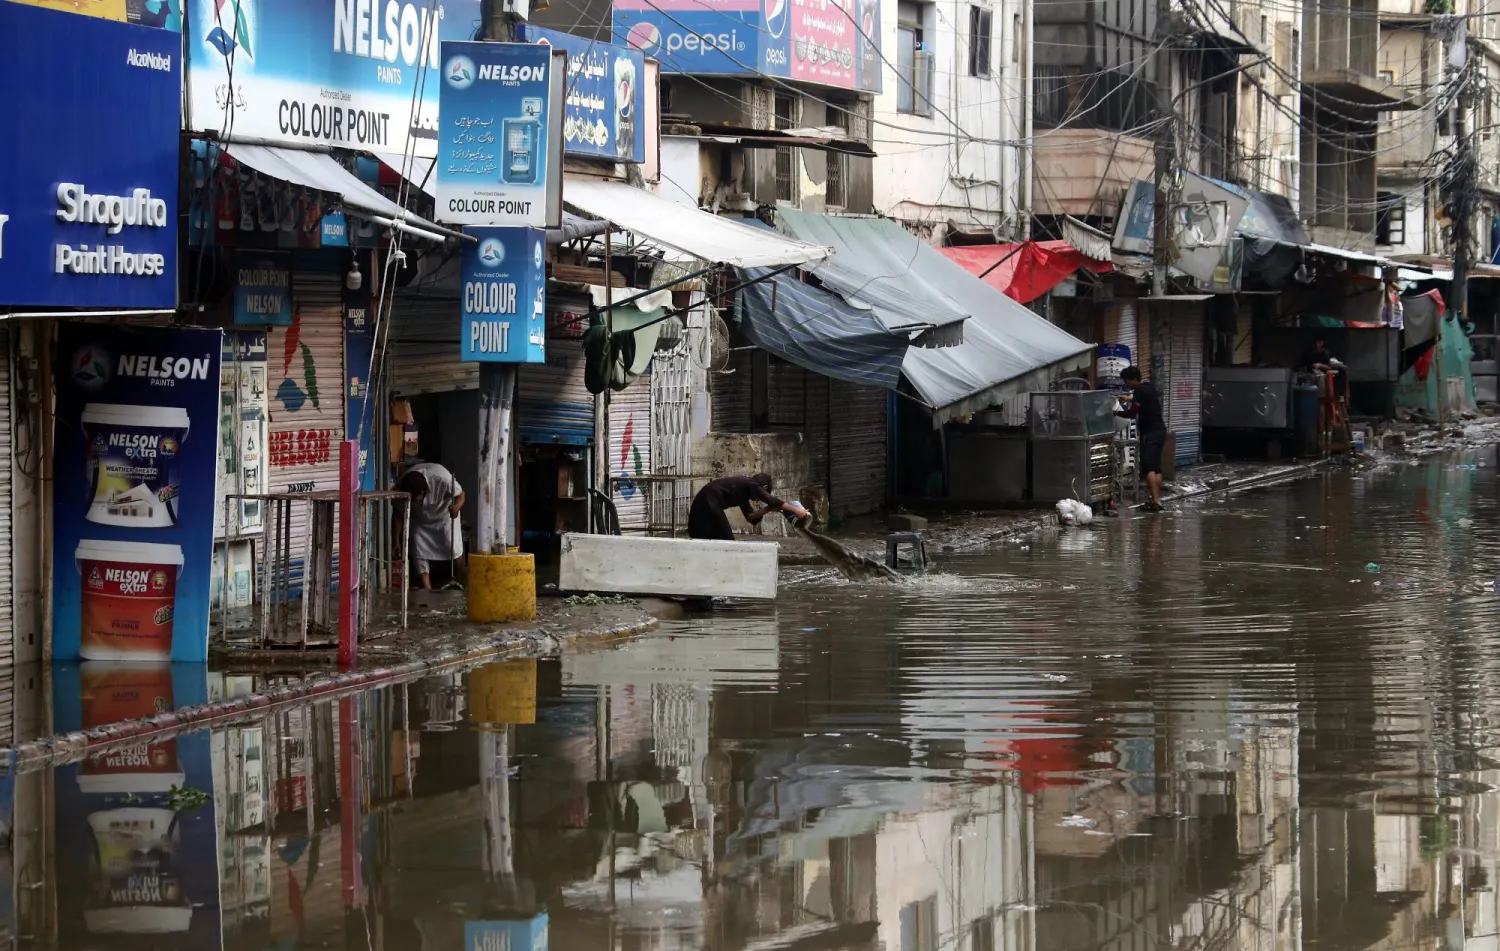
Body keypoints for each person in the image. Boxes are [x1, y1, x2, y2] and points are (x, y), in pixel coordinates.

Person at [397, 462, 465, 589]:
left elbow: (461, 495)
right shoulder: (402, 485)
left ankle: (462, 583)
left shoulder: (442, 478)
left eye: (414, 498)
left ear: (423, 492)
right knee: (419, 553)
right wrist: (395, 540)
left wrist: (456, 507)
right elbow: (399, 514)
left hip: (444, 516)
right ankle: (427, 591)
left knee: (454, 548)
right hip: (419, 521)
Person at [688, 473, 809, 541]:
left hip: (709, 502)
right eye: (762, 493)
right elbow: (772, 500)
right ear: (764, 487)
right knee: (726, 538)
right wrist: (797, 510)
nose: (757, 499)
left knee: (710, 536)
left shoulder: (743, 493)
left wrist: (768, 509)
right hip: (709, 500)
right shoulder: (751, 484)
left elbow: (751, 517)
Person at [1115, 366, 1166, 512]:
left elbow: (1132, 413)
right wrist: (1128, 398)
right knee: (1156, 466)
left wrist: (1116, 413)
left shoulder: (1139, 391)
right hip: (1160, 431)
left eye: (1127, 382)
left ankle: (1156, 501)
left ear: (1134, 379)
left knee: (1148, 466)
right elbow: (1143, 398)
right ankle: (1155, 498)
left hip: (1149, 434)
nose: (1127, 385)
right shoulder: (1148, 387)